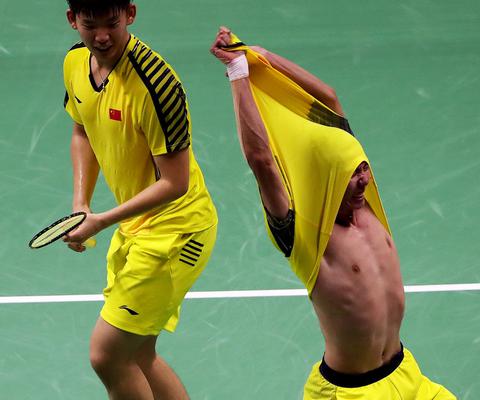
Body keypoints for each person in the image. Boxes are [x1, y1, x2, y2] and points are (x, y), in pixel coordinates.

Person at [210, 27, 456, 399]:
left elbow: (329, 98)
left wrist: (261, 57)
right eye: (352, 175)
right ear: (329, 179)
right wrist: (238, 72)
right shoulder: (307, 239)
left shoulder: (368, 205)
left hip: (407, 374)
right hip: (351, 392)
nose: (363, 180)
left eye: (363, 168)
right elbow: (261, 161)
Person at [61, 1, 218, 398]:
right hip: (138, 226)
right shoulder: (76, 62)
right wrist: (82, 205)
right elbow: (83, 130)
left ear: (130, 14)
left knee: (108, 355)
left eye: (111, 23)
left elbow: (175, 182)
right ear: (72, 20)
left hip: (177, 230)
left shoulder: (157, 85)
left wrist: (101, 220)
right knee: (138, 353)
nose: (101, 36)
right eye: (90, 24)